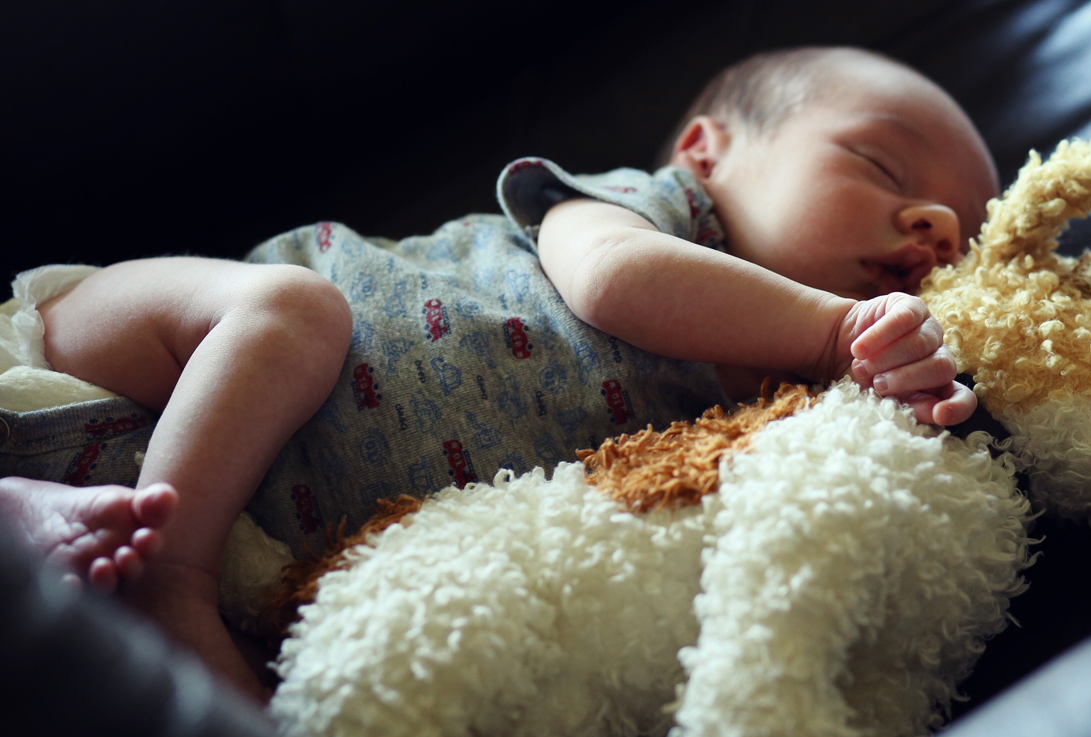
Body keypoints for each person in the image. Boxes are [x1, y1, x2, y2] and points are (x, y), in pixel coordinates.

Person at [0, 46, 998, 700]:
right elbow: (614, 282)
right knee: (292, 315)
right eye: (882, 167)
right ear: (707, 152)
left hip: (213, 523)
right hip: (141, 360)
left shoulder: (778, 409)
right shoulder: (642, 211)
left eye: (959, 233)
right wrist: (834, 331)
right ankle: (167, 576)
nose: (934, 225)